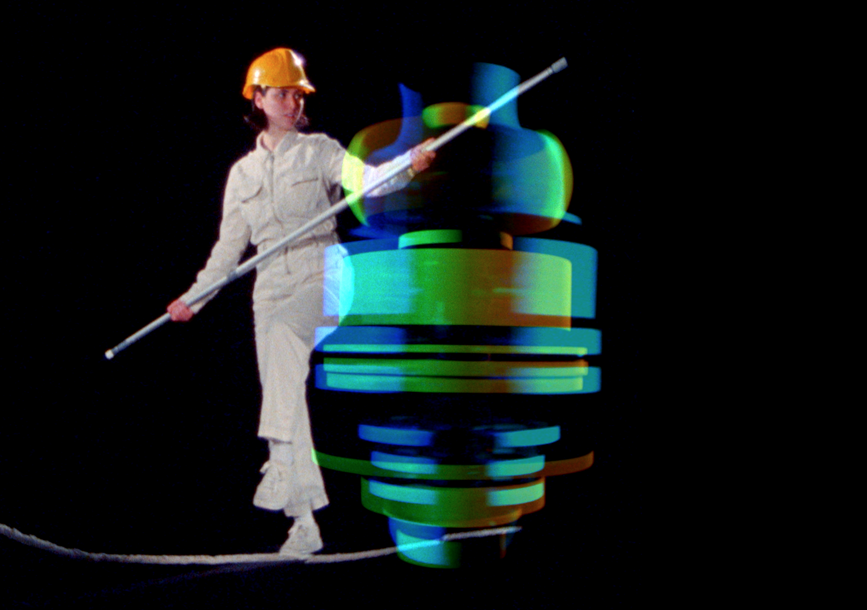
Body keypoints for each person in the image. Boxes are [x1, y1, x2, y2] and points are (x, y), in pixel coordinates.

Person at [167, 48, 435, 554]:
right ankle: (304, 524)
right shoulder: (242, 176)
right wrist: (192, 299)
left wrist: (408, 165)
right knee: (286, 397)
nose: (292, 101)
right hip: (268, 284)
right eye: (283, 93)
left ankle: (278, 465)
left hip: (324, 274)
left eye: (298, 94)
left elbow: (368, 181)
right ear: (259, 97)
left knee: (285, 342)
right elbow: (227, 252)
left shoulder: (319, 150)